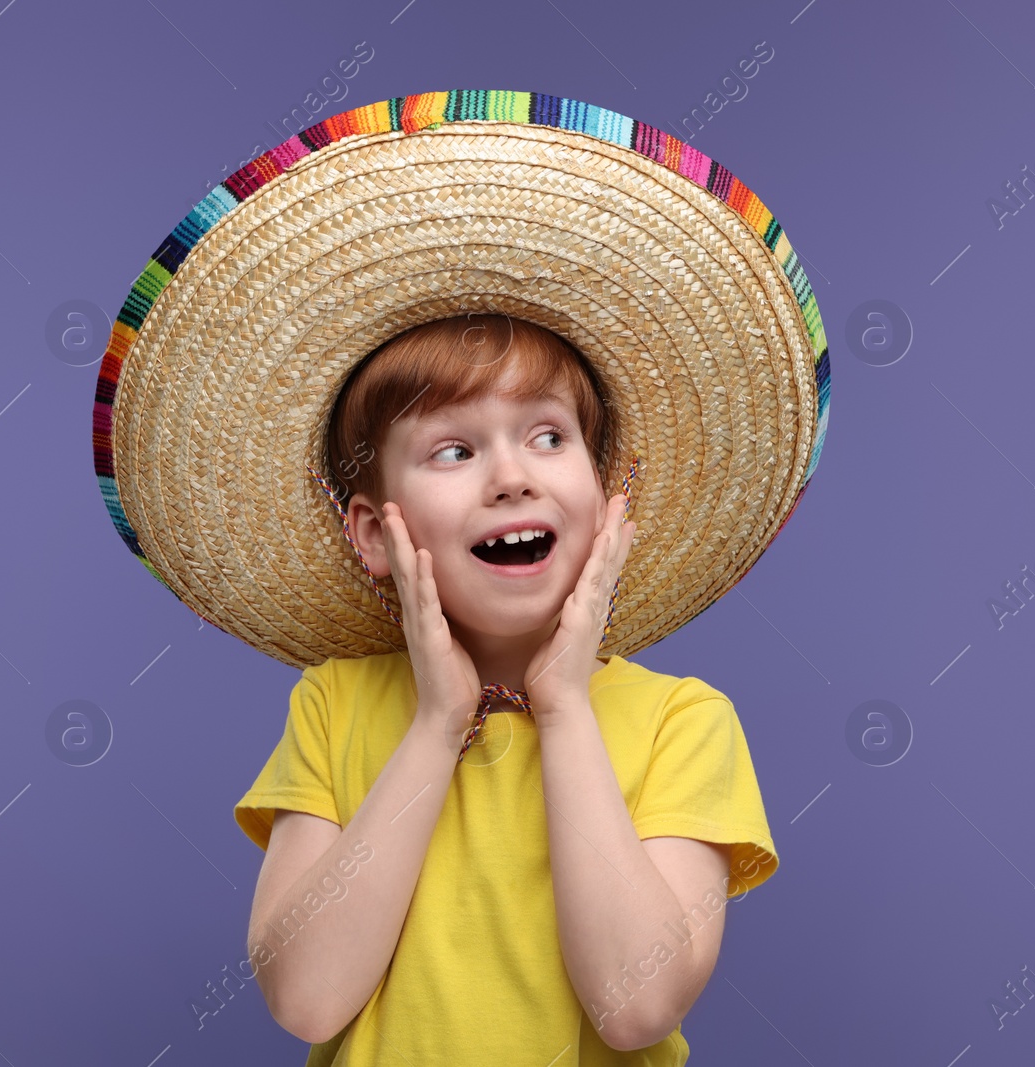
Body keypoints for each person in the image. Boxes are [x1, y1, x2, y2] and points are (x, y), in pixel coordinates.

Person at [91, 90, 830, 1065]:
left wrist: (563, 707)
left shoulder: (680, 722)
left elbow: (636, 1003)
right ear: (371, 528)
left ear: (608, 498)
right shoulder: (336, 705)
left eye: (547, 435)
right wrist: (437, 721)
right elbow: (307, 997)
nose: (511, 473)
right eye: (451, 450)